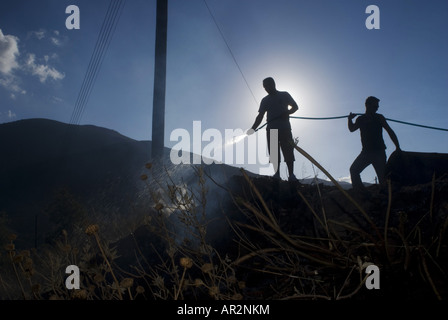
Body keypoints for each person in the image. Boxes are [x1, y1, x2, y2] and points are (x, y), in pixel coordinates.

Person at [247, 77, 299, 181]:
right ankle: (277, 174)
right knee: (274, 153)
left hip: (285, 128)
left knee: (288, 150)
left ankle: (291, 175)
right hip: (271, 129)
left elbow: (295, 107)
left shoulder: (284, 95)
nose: (266, 88)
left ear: (273, 84)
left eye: (267, 85)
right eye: (264, 87)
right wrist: (253, 128)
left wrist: (287, 113)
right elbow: (260, 116)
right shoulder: (265, 100)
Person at [348, 96, 401, 192]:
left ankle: (387, 200)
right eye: (375, 106)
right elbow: (352, 129)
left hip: (379, 152)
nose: (377, 108)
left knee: (382, 180)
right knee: (354, 170)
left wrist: (397, 146)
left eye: (377, 106)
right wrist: (349, 119)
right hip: (366, 152)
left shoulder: (379, 117)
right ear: (367, 105)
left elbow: (390, 131)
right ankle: (362, 195)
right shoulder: (361, 119)